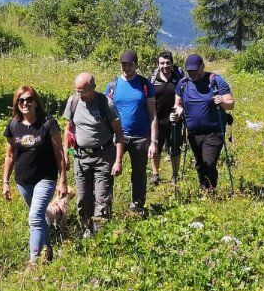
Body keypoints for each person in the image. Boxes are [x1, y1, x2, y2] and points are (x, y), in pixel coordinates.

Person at [1, 86, 68, 265]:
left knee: (34, 217)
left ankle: (34, 261)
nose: (25, 103)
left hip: (46, 177)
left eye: (29, 99)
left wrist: (63, 180)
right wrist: (5, 182)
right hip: (23, 180)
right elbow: (9, 155)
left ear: (36, 102)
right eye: (20, 100)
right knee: (38, 217)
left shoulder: (48, 123)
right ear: (16, 103)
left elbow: (59, 153)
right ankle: (48, 251)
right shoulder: (13, 125)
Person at [62, 72, 125, 233]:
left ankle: (101, 234)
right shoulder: (73, 101)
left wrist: (118, 160)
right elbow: (68, 129)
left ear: (93, 88)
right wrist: (66, 153)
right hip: (81, 157)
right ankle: (87, 231)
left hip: (103, 157)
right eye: (77, 91)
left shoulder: (106, 104)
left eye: (83, 91)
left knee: (102, 198)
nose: (80, 94)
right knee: (83, 198)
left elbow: (118, 134)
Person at [172, 54, 235, 194]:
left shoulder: (215, 80)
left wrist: (222, 102)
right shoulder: (183, 84)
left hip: (214, 132)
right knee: (200, 164)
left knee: (209, 163)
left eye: (195, 70)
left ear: (202, 66)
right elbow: (179, 104)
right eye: (190, 71)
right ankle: (204, 189)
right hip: (193, 133)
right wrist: (176, 114)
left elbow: (231, 104)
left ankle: (210, 192)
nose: (193, 73)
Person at [105, 50, 157, 215]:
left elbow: (153, 115)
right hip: (115, 137)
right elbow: (106, 113)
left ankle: (138, 208)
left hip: (140, 137)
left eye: (129, 64)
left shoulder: (144, 84)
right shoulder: (112, 86)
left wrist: (153, 142)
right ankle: (105, 208)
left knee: (139, 174)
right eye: (123, 64)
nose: (126, 67)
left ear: (136, 65)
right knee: (108, 172)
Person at [150, 50, 183, 187]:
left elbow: (183, 96)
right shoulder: (152, 79)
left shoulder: (178, 78)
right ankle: (155, 173)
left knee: (175, 147)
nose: (165, 66)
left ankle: (175, 174)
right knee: (156, 146)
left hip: (175, 118)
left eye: (168, 63)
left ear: (172, 63)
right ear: (157, 64)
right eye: (162, 63)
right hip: (157, 119)